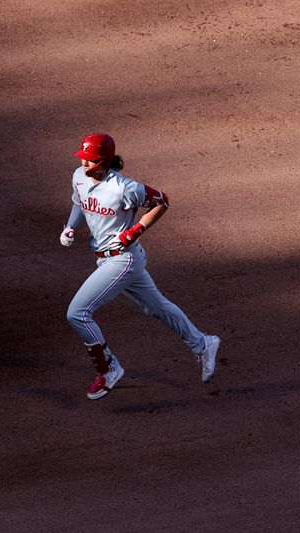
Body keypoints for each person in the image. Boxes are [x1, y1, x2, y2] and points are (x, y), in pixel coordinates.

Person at [60, 132, 220, 400]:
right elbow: (78, 201)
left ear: (103, 161)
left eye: (90, 160)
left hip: (123, 259)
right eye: (83, 158)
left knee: (77, 313)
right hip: (105, 258)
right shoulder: (79, 176)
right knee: (156, 306)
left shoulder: (125, 188)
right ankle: (203, 343)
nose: (84, 164)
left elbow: (162, 202)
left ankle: (109, 368)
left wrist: (135, 230)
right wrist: (70, 227)